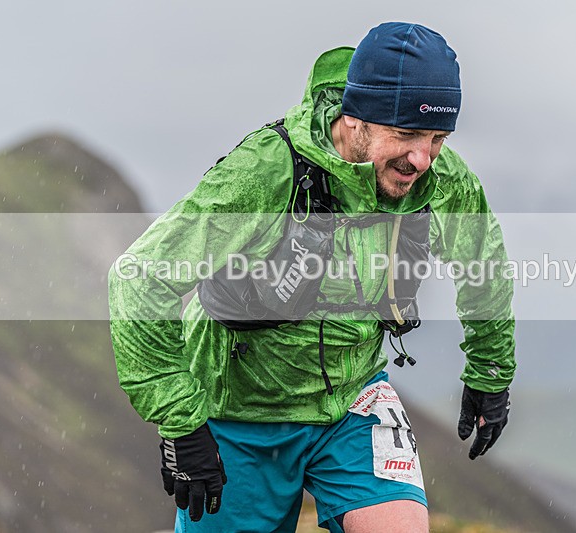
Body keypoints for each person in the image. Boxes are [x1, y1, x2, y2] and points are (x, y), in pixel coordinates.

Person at [109, 22, 516, 533]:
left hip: (353, 397)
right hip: (239, 407)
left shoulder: (441, 181)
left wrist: (490, 375)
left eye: (437, 138)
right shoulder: (264, 171)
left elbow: (484, 265)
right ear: (354, 119)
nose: (422, 158)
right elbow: (139, 279)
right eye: (407, 134)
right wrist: (181, 422)